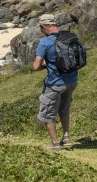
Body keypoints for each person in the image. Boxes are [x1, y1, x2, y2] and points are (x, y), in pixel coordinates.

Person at [32, 13, 78, 151]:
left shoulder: (45, 42)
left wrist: (44, 66)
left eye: (41, 28)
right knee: (64, 110)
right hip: (72, 81)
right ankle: (67, 138)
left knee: (48, 114)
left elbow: (35, 66)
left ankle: (55, 144)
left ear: (44, 27)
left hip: (54, 84)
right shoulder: (70, 37)